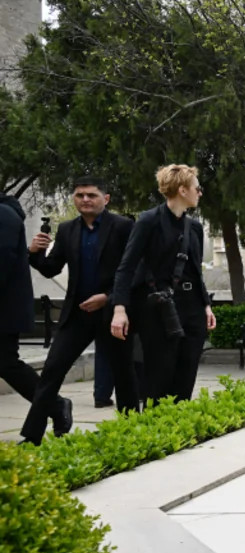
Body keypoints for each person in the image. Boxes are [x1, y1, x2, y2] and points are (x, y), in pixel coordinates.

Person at [22, 177, 137, 445]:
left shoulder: (123, 227)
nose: (85, 200)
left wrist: (108, 298)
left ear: (105, 199)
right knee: (51, 371)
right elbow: (51, 268)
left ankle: (133, 432)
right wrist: (35, 253)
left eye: (91, 195)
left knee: (124, 374)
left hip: (112, 312)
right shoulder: (67, 229)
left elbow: (134, 270)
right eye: (79, 195)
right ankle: (32, 436)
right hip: (76, 315)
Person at [110, 165, 216, 405]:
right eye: (197, 188)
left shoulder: (195, 227)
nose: (200, 193)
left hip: (192, 307)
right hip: (159, 307)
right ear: (182, 190)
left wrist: (206, 306)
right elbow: (126, 267)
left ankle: (178, 424)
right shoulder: (149, 221)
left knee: (186, 376)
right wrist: (119, 308)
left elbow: (195, 271)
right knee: (159, 377)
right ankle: (156, 424)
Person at [1, 193, 72, 441]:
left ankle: (55, 405)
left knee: (6, 363)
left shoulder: (4, 215)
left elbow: (3, 261)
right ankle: (55, 405)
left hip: (4, 310)